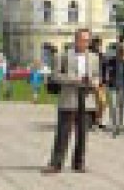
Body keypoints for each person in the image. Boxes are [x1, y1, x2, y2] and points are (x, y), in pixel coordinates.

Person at [43, 28, 101, 173]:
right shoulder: (63, 56)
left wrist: (95, 81)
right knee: (63, 131)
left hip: (86, 97)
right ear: (75, 40)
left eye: (87, 40)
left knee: (82, 132)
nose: (85, 43)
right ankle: (56, 163)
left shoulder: (94, 57)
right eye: (82, 39)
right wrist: (75, 79)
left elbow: (97, 75)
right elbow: (55, 76)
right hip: (69, 96)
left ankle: (78, 163)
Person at [104, 43, 124, 134]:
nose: (121, 53)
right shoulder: (110, 61)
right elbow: (105, 72)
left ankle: (120, 124)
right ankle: (115, 124)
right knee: (113, 106)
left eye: (122, 51)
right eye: (119, 51)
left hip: (122, 87)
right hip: (112, 87)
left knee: (121, 107)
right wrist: (106, 81)